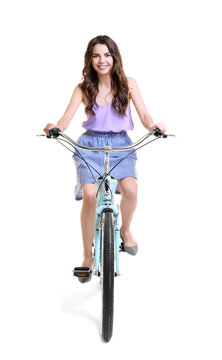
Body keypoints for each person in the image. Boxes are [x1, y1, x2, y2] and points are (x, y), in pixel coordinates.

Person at [44, 35, 166, 272]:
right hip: (90, 146)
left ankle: (126, 229)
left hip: (121, 145)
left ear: (114, 57)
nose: (102, 60)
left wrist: (154, 127)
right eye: (96, 55)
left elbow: (144, 115)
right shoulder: (83, 88)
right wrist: (54, 127)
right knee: (90, 195)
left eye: (107, 55)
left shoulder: (128, 84)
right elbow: (66, 118)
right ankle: (87, 257)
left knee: (130, 190)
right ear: (90, 60)